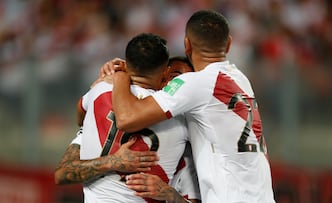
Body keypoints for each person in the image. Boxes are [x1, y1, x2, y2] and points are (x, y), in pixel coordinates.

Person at [107, 10, 275, 202]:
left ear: (186, 44)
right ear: (228, 43)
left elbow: (127, 119)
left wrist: (120, 75)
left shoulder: (195, 83)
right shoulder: (241, 79)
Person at [55, 33, 199, 203]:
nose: (175, 85)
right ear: (164, 72)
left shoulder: (100, 91)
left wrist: (172, 196)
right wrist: (113, 161)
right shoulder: (179, 123)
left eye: (183, 81)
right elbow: (62, 174)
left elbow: (81, 111)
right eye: (174, 77)